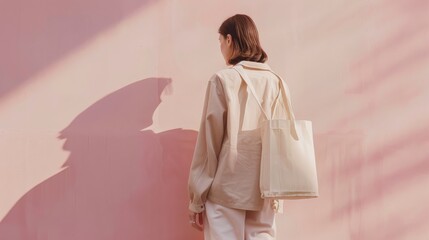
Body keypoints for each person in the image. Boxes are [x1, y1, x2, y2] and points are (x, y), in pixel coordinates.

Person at [188, 14, 285, 240]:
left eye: (220, 42)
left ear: (230, 40)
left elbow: (208, 143)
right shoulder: (276, 82)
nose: (221, 48)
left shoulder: (222, 80)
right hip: (265, 189)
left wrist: (196, 197)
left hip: (226, 190)